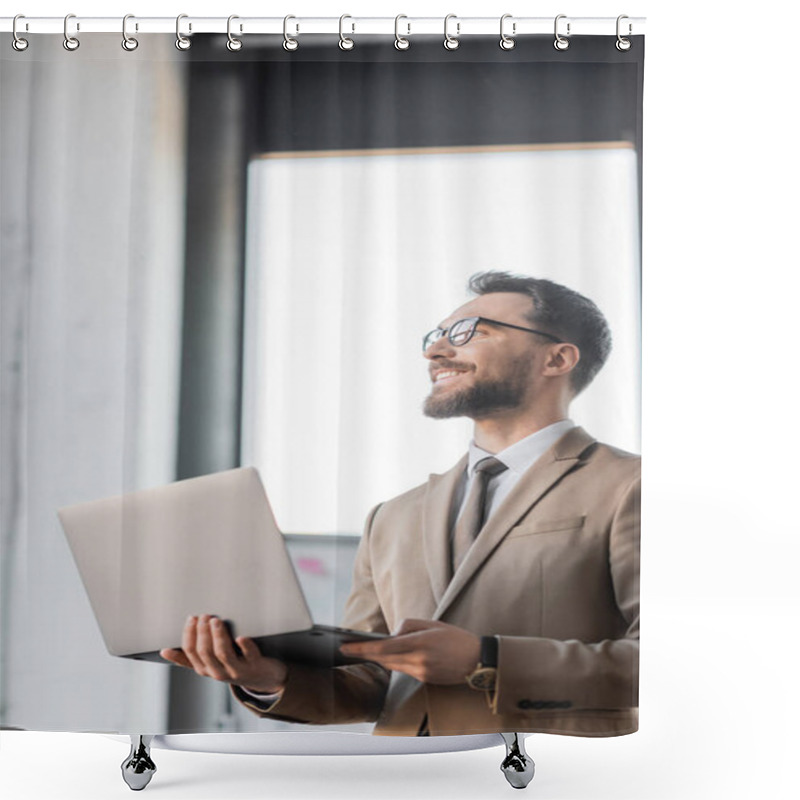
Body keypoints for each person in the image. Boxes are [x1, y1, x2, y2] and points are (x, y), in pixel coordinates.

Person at [161, 271, 640, 737]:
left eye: (470, 332)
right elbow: (371, 682)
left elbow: (676, 664)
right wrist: (267, 678)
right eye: (436, 335)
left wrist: (488, 660)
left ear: (556, 359)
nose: (436, 350)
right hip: (406, 780)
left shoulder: (631, 485)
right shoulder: (392, 518)